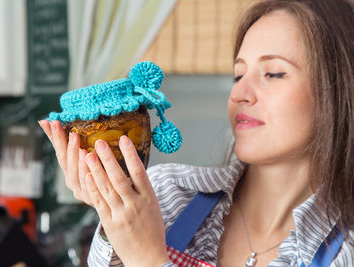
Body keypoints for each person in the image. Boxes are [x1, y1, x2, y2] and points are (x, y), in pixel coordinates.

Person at [38, 0, 354, 266]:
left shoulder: (343, 253)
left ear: (338, 91)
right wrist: (111, 218)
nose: (240, 93)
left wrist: (149, 258)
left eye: (273, 73)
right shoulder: (164, 194)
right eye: (238, 75)